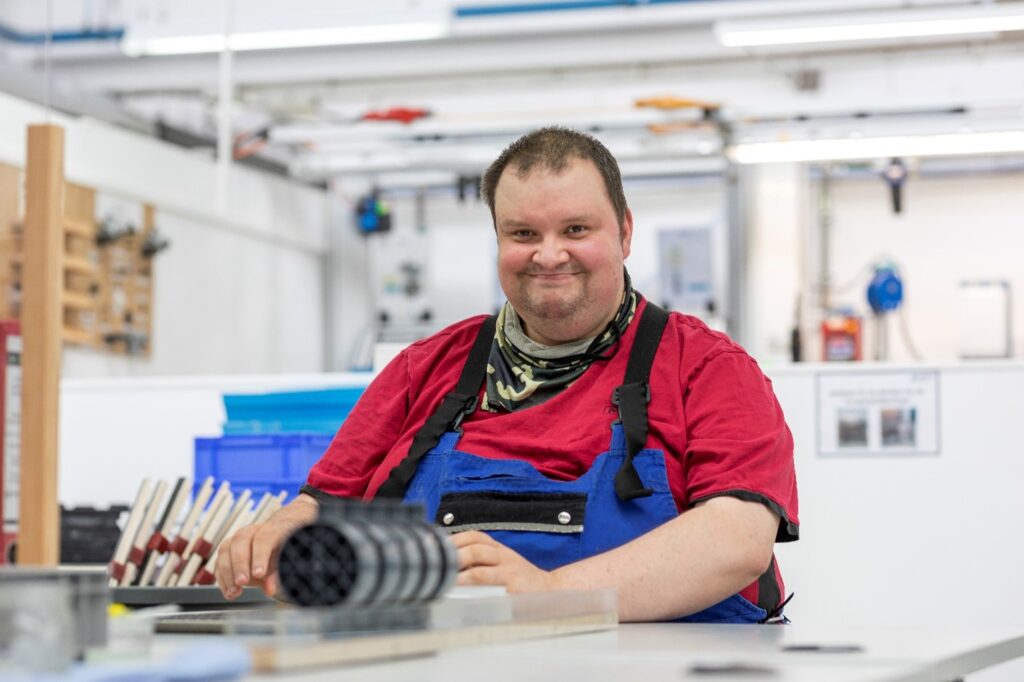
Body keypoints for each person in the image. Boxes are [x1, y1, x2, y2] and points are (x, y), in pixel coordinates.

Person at [216, 127, 799, 623]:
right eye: (523, 234)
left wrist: (547, 594)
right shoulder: (425, 370)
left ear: (624, 233)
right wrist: (278, 534)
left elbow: (736, 539)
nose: (549, 254)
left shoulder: (708, 369)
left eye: (576, 230)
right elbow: (322, 506)